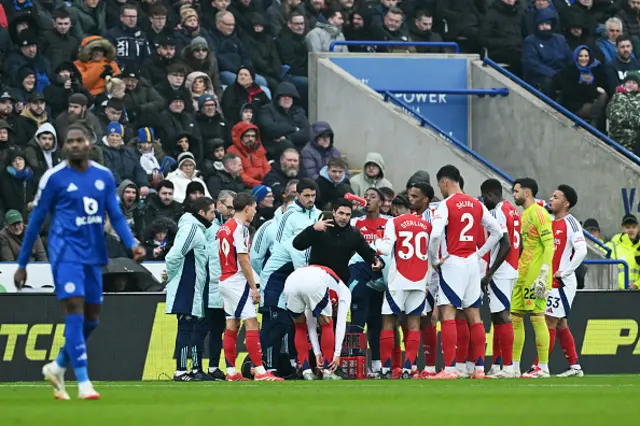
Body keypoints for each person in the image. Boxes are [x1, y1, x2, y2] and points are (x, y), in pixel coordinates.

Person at [14, 121, 145, 400]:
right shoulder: (53, 178)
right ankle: (83, 380)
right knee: (74, 307)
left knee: (92, 319)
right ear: (64, 147)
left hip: (94, 255)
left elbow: (116, 215)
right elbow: (36, 220)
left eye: (79, 140)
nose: (74, 144)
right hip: (64, 254)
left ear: (89, 144)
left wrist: (131, 242)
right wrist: (22, 263)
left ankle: (58, 366)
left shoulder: (104, 176)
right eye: (69, 141)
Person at [427, 165, 507, 379]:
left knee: (448, 313)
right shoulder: (477, 204)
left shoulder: (445, 205)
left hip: (453, 262)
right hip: (472, 263)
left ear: (445, 183)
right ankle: (480, 369)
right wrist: (479, 254)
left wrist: (435, 259)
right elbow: (497, 232)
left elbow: (435, 236)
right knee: (475, 316)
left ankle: (451, 369)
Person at [218, 192, 283, 381]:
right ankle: (261, 371)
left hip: (225, 279)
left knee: (232, 324)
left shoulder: (224, 228)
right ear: (247, 208)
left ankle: (231, 373)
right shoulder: (240, 229)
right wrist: (253, 287)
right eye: (254, 208)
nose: (255, 212)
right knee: (252, 322)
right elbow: (244, 260)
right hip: (237, 281)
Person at [375, 201, 431, 379]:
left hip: (398, 280)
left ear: (394, 209)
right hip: (420, 280)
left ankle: (385, 369)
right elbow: (430, 254)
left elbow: (384, 249)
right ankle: (408, 368)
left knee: (389, 323)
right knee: (414, 325)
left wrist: (377, 239)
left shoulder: (394, 222)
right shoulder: (426, 225)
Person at [509, 177, 555, 378]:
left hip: (535, 275)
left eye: (516, 191)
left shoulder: (539, 213)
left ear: (527, 193)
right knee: (515, 318)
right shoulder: (524, 215)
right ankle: (514, 366)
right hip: (521, 273)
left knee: (537, 317)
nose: (514, 194)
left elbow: (550, 244)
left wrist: (544, 273)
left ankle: (543, 367)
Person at [164, 196, 213, 381]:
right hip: (186, 284)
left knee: (190, 327)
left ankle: (190, 370)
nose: (213, 216)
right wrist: (170, 275)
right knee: (185, 328)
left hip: (192, 285)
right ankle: (181, 371)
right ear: (201, 213)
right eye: (211, 212)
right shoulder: (191, 229)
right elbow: (174, 255)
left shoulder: (196, 228)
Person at [542, 184, 587, 377]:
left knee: (550, 320)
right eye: (551, 196)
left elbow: (582, 250)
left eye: (556, 197)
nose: (551, 199)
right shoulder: (549, 220)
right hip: (549, 281)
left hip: (562, 283)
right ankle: (575, 366)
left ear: (566, 203)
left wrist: (565, 271)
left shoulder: (571, 223)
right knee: (560, 323)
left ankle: (540, 366)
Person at [480, 178, 522, 379]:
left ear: (489, 194)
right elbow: (518, 244)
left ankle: (508, 366)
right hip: (511, 268)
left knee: (503, 316)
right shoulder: (514, 210)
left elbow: (505, 243)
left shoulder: (497, 212)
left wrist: (490, 273)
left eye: (483, 197)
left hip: (501, 270)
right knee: (497, 317)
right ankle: (497, 365)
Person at [293, 197, 382, 286]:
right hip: (317, 279)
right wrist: (313, 229)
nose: (344, 217)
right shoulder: (321, 228)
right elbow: (297, 244)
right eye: (341, 213)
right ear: (334, 212)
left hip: (339, 282)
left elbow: (367, 252)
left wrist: (376, 260)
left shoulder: (353, 233)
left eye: (347, 214)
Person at [284, 264, 351, 380]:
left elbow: (310, 324)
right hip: (313, 281)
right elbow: (340, 324)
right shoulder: (344, 292)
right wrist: (337, 354)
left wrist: (317, 353)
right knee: (327, 324)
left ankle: (306, 371)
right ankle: (328, 371)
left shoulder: (327, 286)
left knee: (299, 326)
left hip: (291, 281)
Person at [522, 7, 572, 97]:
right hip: (540, 77)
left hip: (560, 74)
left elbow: (569, 58)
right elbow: (532, 64)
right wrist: (553, 74)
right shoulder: (530, 40)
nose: (545, 27)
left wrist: (566, 74)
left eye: (547, 24)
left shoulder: (560, 39)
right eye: (542, 24)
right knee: (547, 82)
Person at [557, 45, 608, 129]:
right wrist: (594, 90)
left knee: (604, 98)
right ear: (576, 57)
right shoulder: (570, 70)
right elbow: (572, 92)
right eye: (580, 56)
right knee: (602, 101)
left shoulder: (595, 69)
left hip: (592, 102)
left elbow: (602, 83)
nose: (583, 59)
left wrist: (592, 90)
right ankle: (594, 125)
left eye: (586, 56)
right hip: (575, 106)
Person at [227, 121, 271, 188]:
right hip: (245, 187)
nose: (250, 139)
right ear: (240, 136)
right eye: (247, 136)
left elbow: (267, 169)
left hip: (263, 185)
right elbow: (240, 175)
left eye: (253, 136)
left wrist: (269, 182)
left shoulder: (259, 149)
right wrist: (260, 185)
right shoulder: (232, 151)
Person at [606, 214, 640, 290]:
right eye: (628, 227)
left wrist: (637, 285)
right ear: (622, 229)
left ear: (638, 229)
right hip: (617, 295)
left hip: (637, 294)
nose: (631, 230)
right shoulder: (613, 247)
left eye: (634, 227)